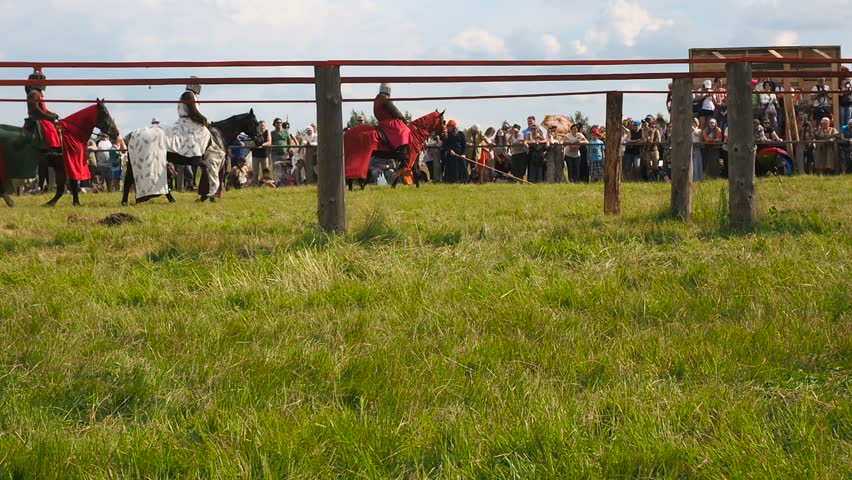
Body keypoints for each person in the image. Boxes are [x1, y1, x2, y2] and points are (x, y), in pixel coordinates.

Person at [23, 68, 61, 160]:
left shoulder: (38, 94)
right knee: (50, 129)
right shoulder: (33, 93)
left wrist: (53, 114)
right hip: (37, 119)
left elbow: (44, 109)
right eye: (43, 81)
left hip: (41, 117)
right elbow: (36, 109)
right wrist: (48, 116)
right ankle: (50, 149)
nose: (45, 84)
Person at [373, 83, 410, 162]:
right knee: (405, 130)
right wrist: (403, 118)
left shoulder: (376, 99)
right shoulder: (385, 99)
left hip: (381, 123)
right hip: (389, 123)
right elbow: (394, 111)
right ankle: (402, 152)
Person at [250, 120, 271, 186]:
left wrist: (262, 145)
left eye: (263, 125)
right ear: (258, 126)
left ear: (265, 126)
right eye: (261, 125)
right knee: (255, 172)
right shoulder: (255, 133)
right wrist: (254, 144)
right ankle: (255, 185)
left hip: (264, 155)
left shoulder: (267, 132)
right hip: (255, 155)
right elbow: (252, 143)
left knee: (265, 171)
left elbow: (269, 142)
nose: (262, 127)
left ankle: (266, 184)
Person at [692, 117, 703, 181]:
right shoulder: (690, 130)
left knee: (697, 162)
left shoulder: (699, 130)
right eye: (693, 122)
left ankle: (698, 178)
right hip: (691, 147)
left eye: (695, 122)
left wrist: (692, 128)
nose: (694, 123)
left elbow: (696, 134)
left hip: (696, 147)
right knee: (692, 163)